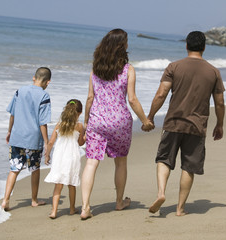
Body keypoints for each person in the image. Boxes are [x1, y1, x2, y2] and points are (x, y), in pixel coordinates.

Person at [145, 31, 225, 216]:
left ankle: (161, 193)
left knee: (164, 159)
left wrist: (150, 116)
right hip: (197, 126)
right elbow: (219, 102)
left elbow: (161, 94)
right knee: (189, 166)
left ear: (186, 45)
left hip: (173, 122)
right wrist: (220, 124)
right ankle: (180, 209)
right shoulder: (213, 71)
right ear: (204, 47)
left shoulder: (174, 66)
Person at [80, 28, 154, 220]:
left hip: (97, 121)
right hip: (120, 122)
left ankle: (85, 207)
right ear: (122, 46)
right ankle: (119, 202)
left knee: (91, 163)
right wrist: (145, 120)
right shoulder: (128, 70)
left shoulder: (95, 68)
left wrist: (86, 122)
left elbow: (90, 98)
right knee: (120, 162)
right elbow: (132, 99)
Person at [1, 67, 52, 211]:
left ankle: (5, 200)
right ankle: (34, 200)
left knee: (14, 169)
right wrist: (46, 142)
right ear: (48, 82)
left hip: (17, 136)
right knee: (35, 169)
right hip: (33, 139)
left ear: (33, 77)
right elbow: (43, 122)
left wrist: (9, 131)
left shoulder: (20, 91)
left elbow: (12, 114)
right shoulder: (44, 96)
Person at [44, 99, 86, 219]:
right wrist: (85, 137)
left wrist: (47, 155)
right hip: (72, 157)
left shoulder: (59, 125)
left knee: (58, 185)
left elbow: (51, 142)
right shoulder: (79, 126)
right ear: (79, 113)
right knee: (71, 184)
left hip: (59, 157)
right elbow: (80, 143)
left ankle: (54, 211)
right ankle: (72, 209)